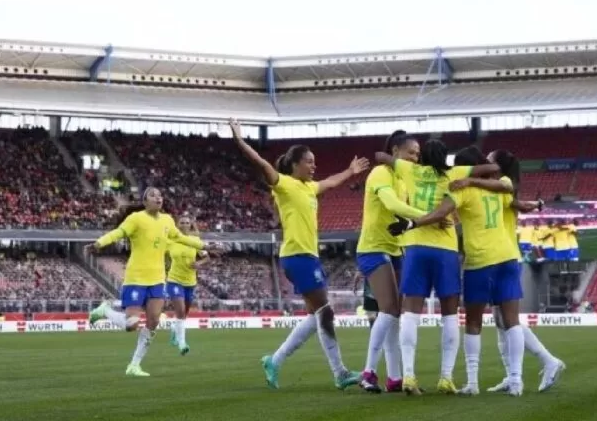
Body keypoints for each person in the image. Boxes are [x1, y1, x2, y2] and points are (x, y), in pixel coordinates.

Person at [229, 119, 369, 390]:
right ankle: (339, 373)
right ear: (295, 164)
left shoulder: (309, 187)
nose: (314, 166)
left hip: (308, 256)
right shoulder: (284, 185)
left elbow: (330, 182)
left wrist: (350, 171)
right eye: (309, 161)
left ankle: (275, 360)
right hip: (297, 256)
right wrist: (240, 141)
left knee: (317, 314)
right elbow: (261, 163)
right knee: (326, 313)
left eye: (314, 161)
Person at [390, 145, 520, 395]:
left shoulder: (411, 171)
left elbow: (382, 157)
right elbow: (498, 175)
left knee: (411, 312)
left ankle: (408, 375)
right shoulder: (457, 175)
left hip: (416, 245)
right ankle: (446, 377)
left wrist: (412, 220)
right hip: (448, 251)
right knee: (451, 314)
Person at [454, 149, 565, 394]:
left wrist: (468, 180)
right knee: (503, 321)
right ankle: (514, 376)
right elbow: (520, 204)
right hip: (506, 255)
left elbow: (516, 201)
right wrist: (536, 204)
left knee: (502, 320)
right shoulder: (502, 187)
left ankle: (545, 361)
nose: (486, 163)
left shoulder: (498, 185)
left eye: (490, 161)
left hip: (490, 256)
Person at [85, 188, 211, 377]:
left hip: (158, 280)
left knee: (152, 323)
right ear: (145, 201)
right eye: (152, 195)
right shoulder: (136, 218)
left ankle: (134, 365)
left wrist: (205, 246)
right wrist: (100, 243)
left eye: (160, 195)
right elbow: (118, 232)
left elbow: (181, 238)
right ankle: (105, 311)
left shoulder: (168, 220)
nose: (158, 197)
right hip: (136, 277)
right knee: (131, 324)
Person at [357, 130, 427, 393]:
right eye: (411, 153)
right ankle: (369, 372)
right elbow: (392, 204)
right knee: (388, 309)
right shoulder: (379, 173)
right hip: (373, 248)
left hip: (396, 249)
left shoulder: (404, 178)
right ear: (395, 152)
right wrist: (430, 216)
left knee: (395, 313)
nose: (415, 158)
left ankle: (395, 378)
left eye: (417, 155)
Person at [166, 214, 210, 356]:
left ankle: (174, 331)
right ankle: (182, 343)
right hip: (174, 280)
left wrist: (198, 263)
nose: (184, 224)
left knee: (183, 314)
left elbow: (207, 257)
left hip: (190, 282)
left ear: (190, 225)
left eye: (187, 222)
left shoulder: (195, 240)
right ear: (178, 225)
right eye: (182, 222)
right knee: (180, 310)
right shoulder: (170, 241)